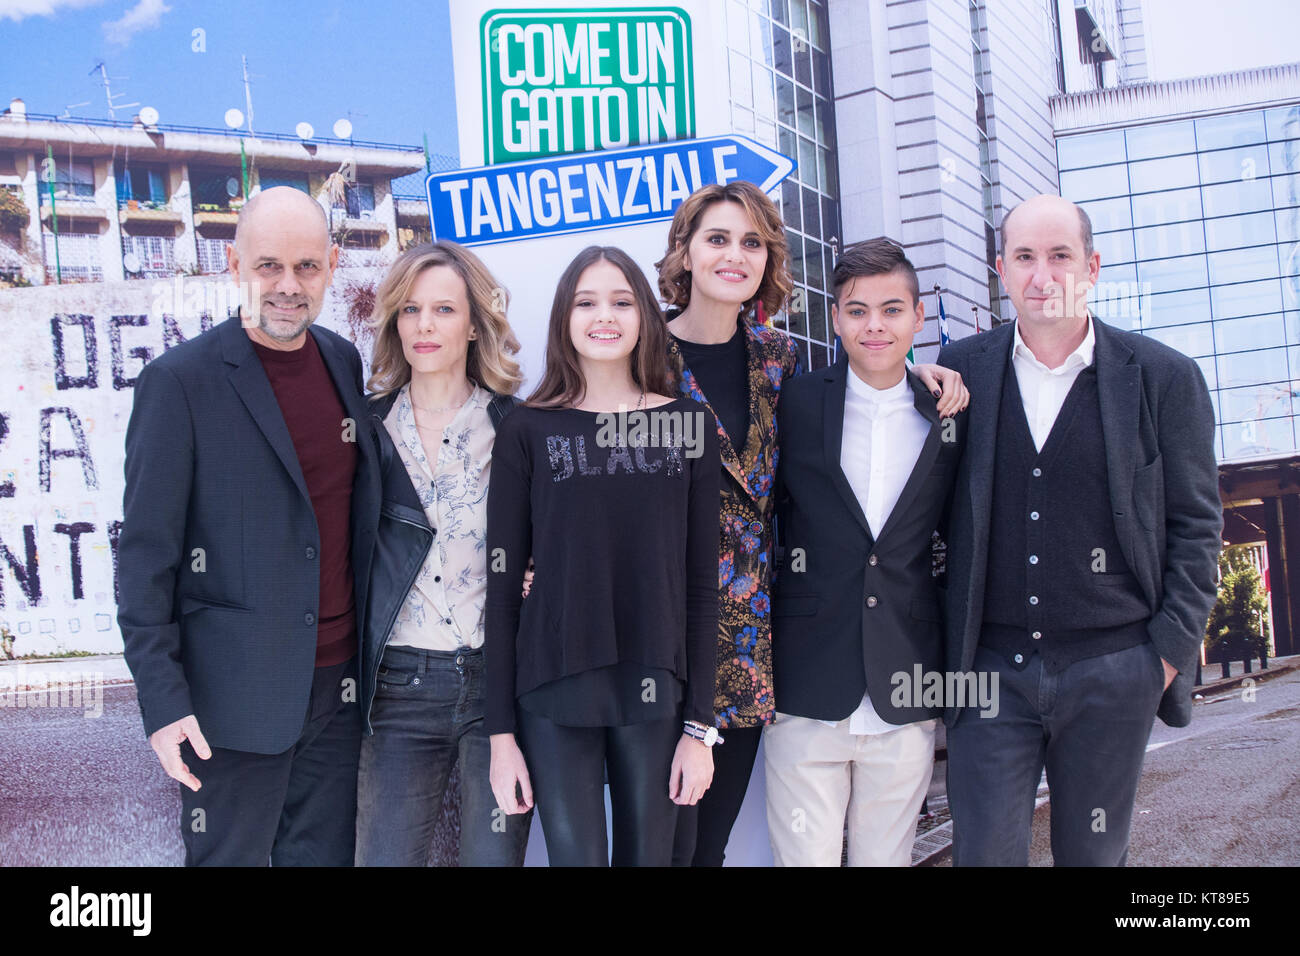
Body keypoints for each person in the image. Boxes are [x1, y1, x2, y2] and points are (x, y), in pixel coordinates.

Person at [656, 181, 970, 866]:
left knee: (706, 848)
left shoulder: (777, 364)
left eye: (751, 243)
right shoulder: (644, 352)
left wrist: (925, 373)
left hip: (751, 651)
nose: (736, 255)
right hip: (661, 632)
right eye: (718, 238)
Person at [937, 194, 1222, 866]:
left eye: (1060, 256)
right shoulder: (960, 371)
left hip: (1113, 670)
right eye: (1026, 257)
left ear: (1091, 267)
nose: (1044, 275)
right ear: (1001, 268)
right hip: (987, 676)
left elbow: (1197, 528)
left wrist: (1161, 659)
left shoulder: (1163, 378)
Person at [118, 186, 381, 866]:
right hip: (227, 706)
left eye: (306, 267)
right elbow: (145, 561)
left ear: (331, 265)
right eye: (269, 266)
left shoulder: (342, 362)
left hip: (337, 692)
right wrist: (163, 700)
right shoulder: (179, 382)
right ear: (234, 263)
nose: (288, 287)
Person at [485, 245, 721, 866]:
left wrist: (699, 728)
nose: (604, 316)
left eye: (621, 301)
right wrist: (500, 735)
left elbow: (702, 585)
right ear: (564, 316)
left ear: (644, 315)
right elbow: (503, 589)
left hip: (655, 685)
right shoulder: (527, 430)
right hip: (553, 685)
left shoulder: (688, 426)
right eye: (586, 302)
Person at [765, 238, 966, 866]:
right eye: (856, 310)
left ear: (917, 317)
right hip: (804, 686)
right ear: (835, 317)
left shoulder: (950, 413)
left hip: (904, 683)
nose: (874, 326)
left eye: (891, 309)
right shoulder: (794, 403)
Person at [355, 241, 532, 866]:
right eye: (409, 310)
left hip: (500, 688)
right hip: (398, 686)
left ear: (475, 325)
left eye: (444, 310)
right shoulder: (366, 431)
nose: (424, 326)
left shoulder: (517, 426)